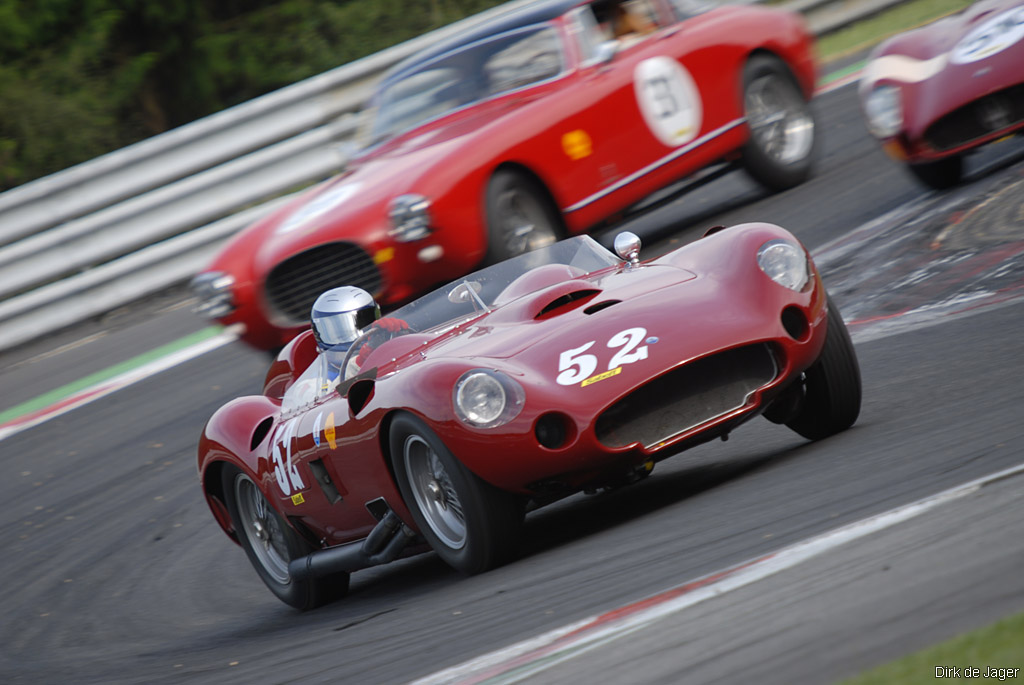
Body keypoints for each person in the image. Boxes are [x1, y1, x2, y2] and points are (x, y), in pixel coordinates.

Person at [310, 286, 409, 382]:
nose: (356, 337)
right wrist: (360, 363)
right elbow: (332, 393)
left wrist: (403, 339)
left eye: (365, 322)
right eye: (341, 333)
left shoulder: (388, 351)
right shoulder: (315, 382)